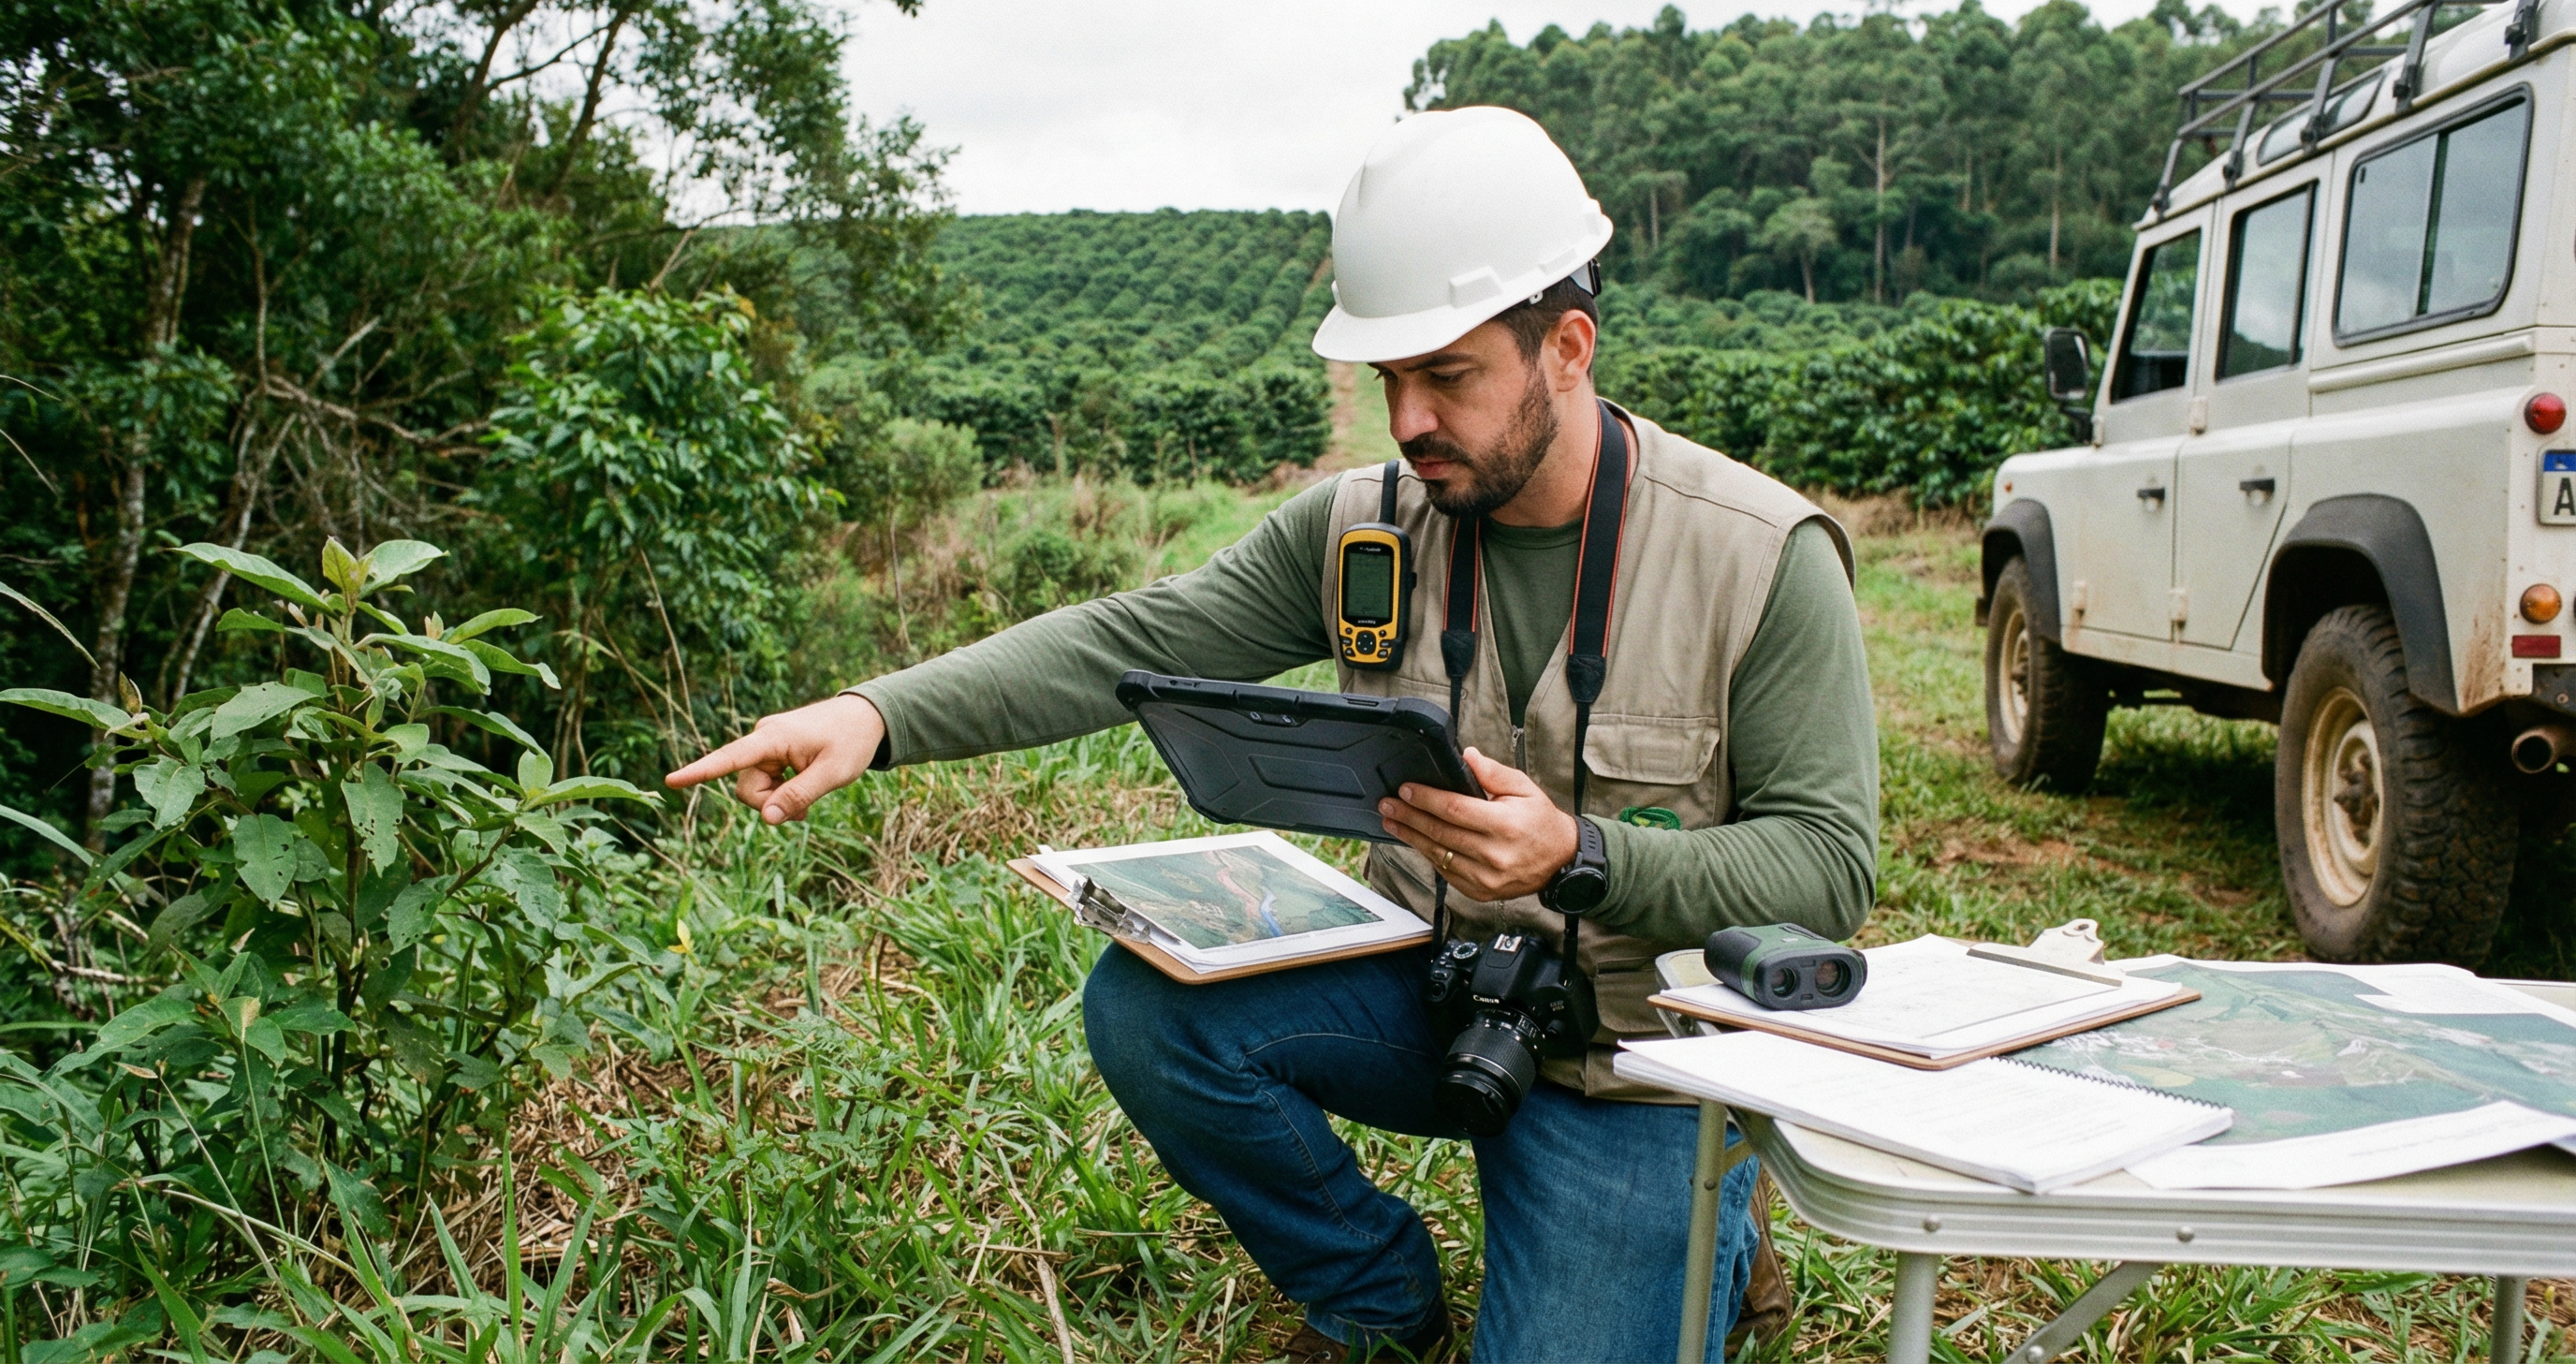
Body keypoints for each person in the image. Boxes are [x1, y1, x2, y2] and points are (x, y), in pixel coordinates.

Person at [667, 106, 1878, 1363]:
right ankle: (1376, 1293)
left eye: (1447, 376)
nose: (1406, 421)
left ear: (1567, 347)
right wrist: (875, 713)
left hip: (1633, 1062)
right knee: (1153, 1008)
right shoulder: (1365, 529)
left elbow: (1830, 868)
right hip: (1430, 981)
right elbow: (1125, 641)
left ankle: (1715, 1237)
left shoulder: (1758, 558)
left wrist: (1580, 857)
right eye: (1386, 379)